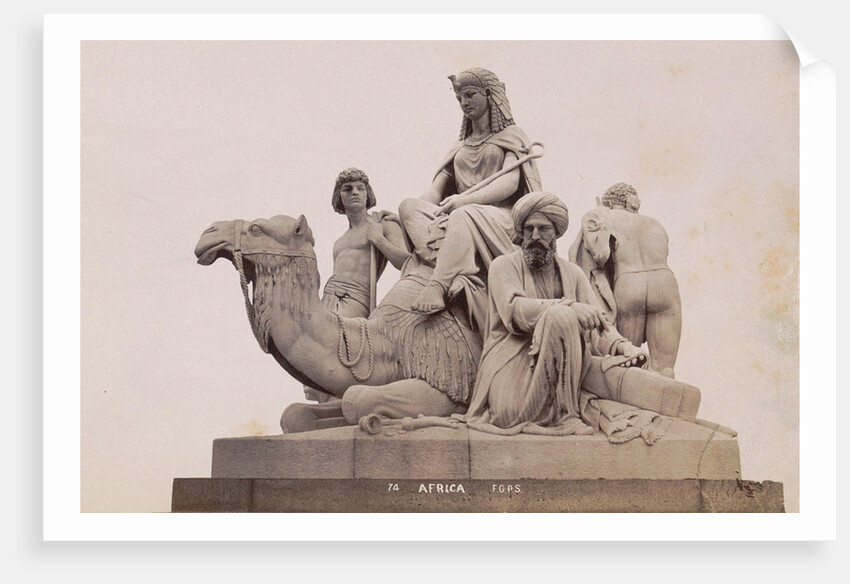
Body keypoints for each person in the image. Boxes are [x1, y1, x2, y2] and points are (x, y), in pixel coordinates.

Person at [465, 192, 647, 434]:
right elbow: (515, 311)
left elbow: (598, 322)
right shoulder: (503, 266)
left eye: (543, 229)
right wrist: (569, 307)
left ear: (556, 233)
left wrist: (623, 347)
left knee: (563, 316)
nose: (535, 236)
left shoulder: (573, 274)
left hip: (562, 374)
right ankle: (564, 416)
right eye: (529, 229)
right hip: (511, 372)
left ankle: (564, 409)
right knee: (560, 316)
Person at [398, 68, 542, 325]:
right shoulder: (460, 145)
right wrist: (416, 208)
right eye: (459, 98)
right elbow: (436, 191)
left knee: (464, 215)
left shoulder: (512, 136)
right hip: (458, 213)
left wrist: (463, 201)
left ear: (488, 95)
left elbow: (510, 183)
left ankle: (439, 283)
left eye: (469, 95)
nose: (464, 102)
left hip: (499, 216)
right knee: (408, 207)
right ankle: (453, 260)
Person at [303, 168, 409, 402]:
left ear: (368, 193)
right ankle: (331, 407)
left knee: (338, 353)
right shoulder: (339, 242)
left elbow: (407, 262)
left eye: (360, 188)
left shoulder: (383, 225)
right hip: (329, 297)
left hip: (357, 299)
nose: (355, 193)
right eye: (347, 188)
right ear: (338, 196)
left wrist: (379, 240)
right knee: (314, 355)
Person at [569, 182, 681, 378]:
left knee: (629, 365)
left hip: (629, 284)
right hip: (665, 285)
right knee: (665, 370)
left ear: (609, 203)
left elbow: (600, 254)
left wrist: (598, 212)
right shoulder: (654, 222)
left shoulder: (603, 216)